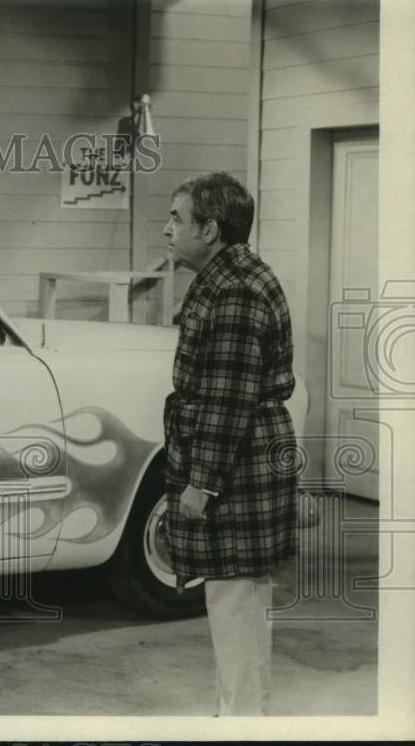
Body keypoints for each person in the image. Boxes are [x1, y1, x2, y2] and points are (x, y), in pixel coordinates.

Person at [162, 172, 298, 716]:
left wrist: (201, 483)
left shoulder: (235, 288)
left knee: (235, 599)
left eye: (177, 217)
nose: (167, 229)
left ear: (211, 228)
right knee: (235, 598)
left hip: (236, 467)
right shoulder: (225, 275)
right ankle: (237, 715)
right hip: (242, 459)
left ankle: (242, 722)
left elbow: (227, 399)